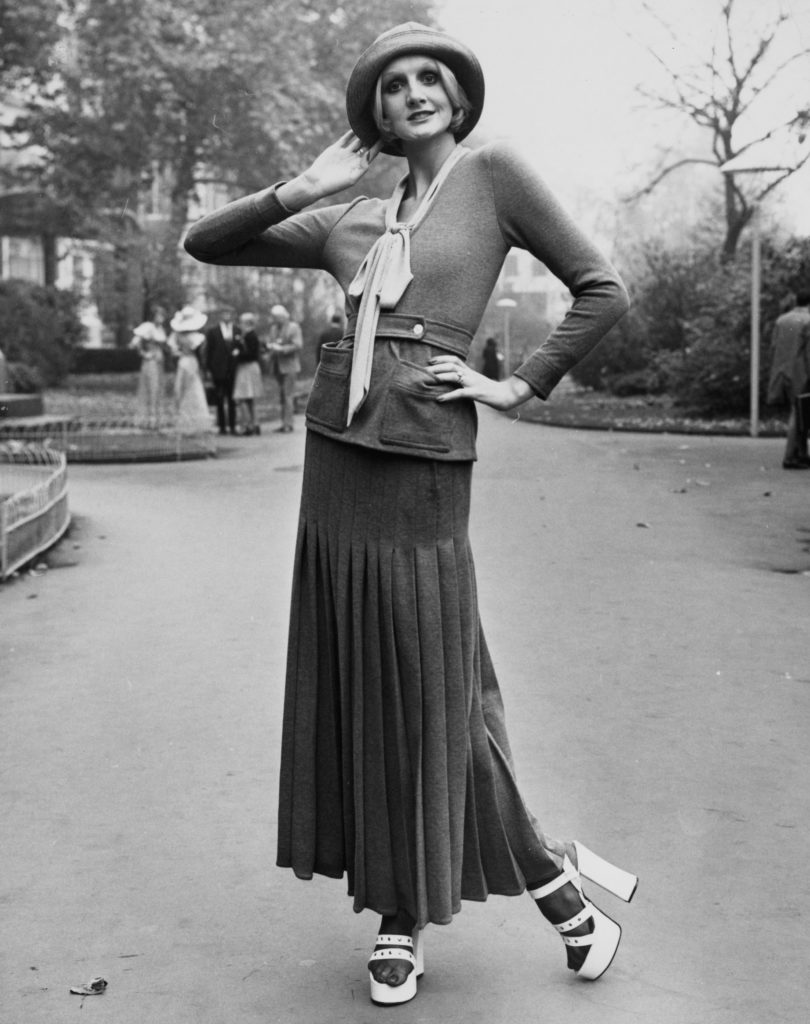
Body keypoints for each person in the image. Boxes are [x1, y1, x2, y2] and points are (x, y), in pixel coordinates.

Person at [184, 22, 634, 1005]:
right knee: (373, 682)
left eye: (432, 78)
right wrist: (302, 188)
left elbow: (602, 291)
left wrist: (516, 385)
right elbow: (204, 242)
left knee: (432, 693)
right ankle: (412, 908)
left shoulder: (494, 175)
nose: (415, 92)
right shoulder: (349, 214)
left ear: (459, 98)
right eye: (394, 85)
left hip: (425, 461)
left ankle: (549, 890)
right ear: (376, 112)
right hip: (336, 466)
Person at [766, 288, 810, 469]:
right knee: (798, 413)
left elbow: (774, 346)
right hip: (801, 372)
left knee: (799, 411)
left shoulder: (783, 320)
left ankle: (802, 453)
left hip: (782, 372)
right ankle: (790, 456)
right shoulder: (807, 321)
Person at [168, 306, 211, 434]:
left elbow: (173, 351)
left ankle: (186, 419)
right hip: (190, 361)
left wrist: (180, 353)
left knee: (184, 388)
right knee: (192, 388)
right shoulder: (196, 337)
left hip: (184, 361)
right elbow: (201, 354)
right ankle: (193, 420)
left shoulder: (179, 336)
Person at [129, 305, 169, 428]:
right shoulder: (148, 327)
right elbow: (134, 343)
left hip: (159, 362)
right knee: (151, 388)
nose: (161, 318)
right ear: (154, 316)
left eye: (162, 315)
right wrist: (144, 353)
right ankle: (148, 418)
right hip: (150, 362)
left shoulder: (161, 329)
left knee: (158, 389)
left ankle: (157, 418)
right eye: (159, 315)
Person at [266, 304, 303, 432]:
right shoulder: (273, 329)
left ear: (284, 316)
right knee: (282, 396)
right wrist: (270, 347)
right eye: (274, 317)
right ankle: (284, 423)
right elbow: (271, 342)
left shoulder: (293, 327)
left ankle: (289, 424)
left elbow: (298, 345)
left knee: (288, 395)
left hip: (290, 366)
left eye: (277, 317)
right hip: (277, 366)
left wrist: (282, 349)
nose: (275, 320)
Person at [204, 305, 239, 435]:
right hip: (218, 369)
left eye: (228, 313)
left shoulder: (237, 330)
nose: (226, 316)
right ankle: (222, 426)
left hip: (233, 369)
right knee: (219, 398)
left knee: (232, 399)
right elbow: (209, 351)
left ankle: (233, 425)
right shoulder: (213, 331)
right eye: (224, 313)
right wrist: (208, 369)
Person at [233, 312, 264, 435]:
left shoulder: (250, 336)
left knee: (242, 397)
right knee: (250, 398)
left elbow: (251, 354)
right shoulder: (248, 336)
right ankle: (254, 423)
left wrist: (238, 354)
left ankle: (247, 425)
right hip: (250, 368)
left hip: (247, 368)